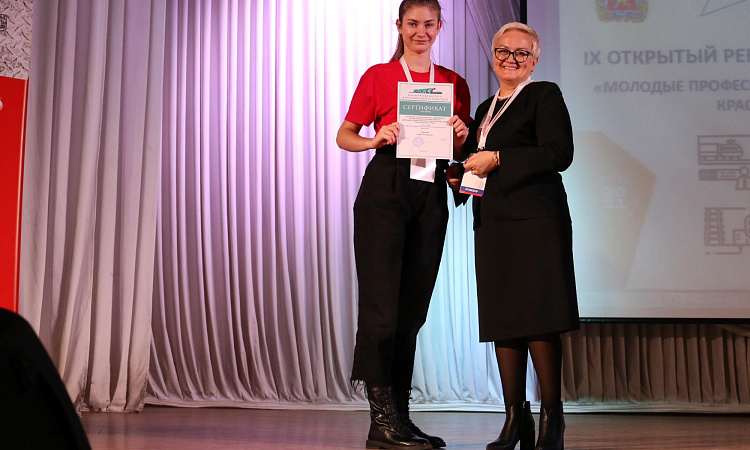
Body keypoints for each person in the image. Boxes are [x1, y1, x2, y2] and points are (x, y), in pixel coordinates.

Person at [336, 1, 471, 448]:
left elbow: (460, 148)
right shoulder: (379, 75)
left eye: (429, 24)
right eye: (412, 23)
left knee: (412, 310)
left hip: (430, 191)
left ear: (440, 27)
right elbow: (344, 135)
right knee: (381, 307)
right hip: (387, 188)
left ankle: (401, 417)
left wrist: (460, 136)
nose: (420, 31)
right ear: (399, 26)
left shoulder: (454, 82)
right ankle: (380, 422)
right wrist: (375, 138)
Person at [448, 22, 579, 450]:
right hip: (494, 223)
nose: (511, 59)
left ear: (534, 60)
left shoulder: (544, 95)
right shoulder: (485, 108)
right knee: (503, 320)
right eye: (503, 51)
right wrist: (461, 174)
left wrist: (499, 158)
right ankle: (514, 419)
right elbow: (479, 162)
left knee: (539, 317)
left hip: (536, 223)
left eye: (521, 53)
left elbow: (559, 153)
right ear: (493, 55)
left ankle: (552, 419)